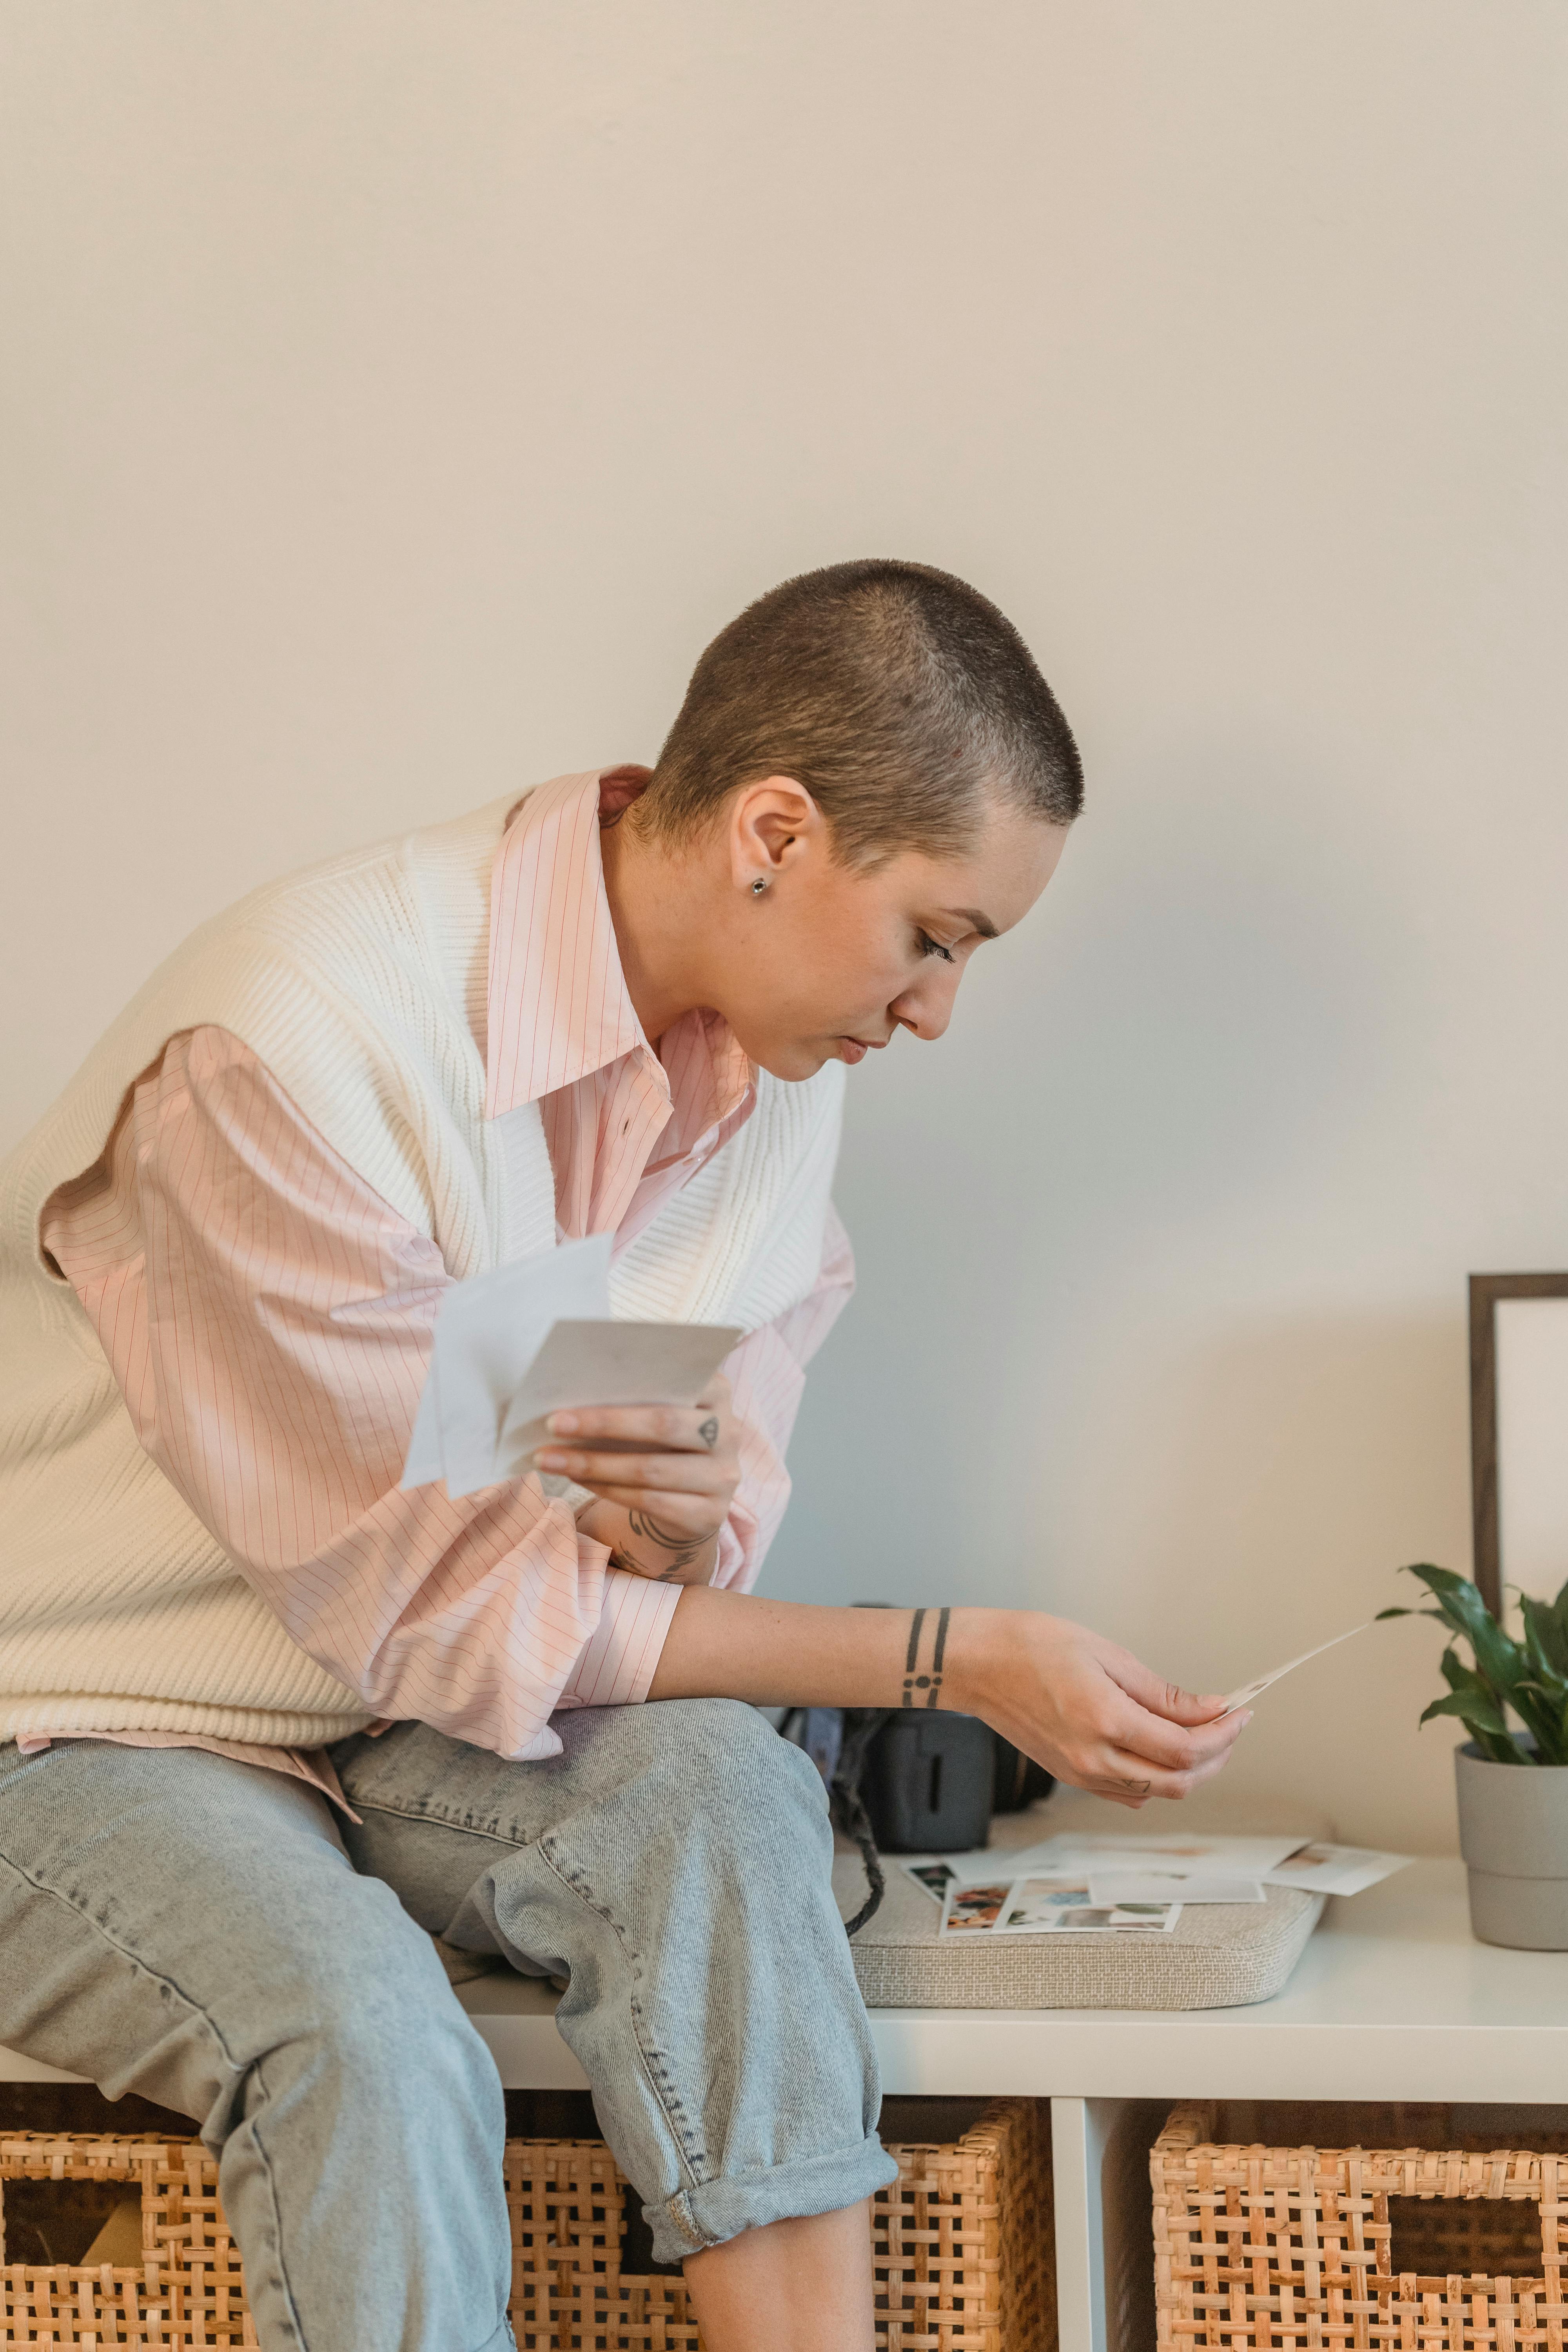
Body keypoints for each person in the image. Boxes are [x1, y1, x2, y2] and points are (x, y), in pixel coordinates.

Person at [0, 559, 1247, 2352]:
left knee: (728, 1792)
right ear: (773, 832)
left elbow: (630, 1573)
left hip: (401, 1714)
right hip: (85, 1726)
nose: (934, 1012)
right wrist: (949, 1655)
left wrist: (668, 1543)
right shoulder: (290, 1045)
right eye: (936, 935)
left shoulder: (764, 1090)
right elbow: (430, 1599)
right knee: (356, 2022)